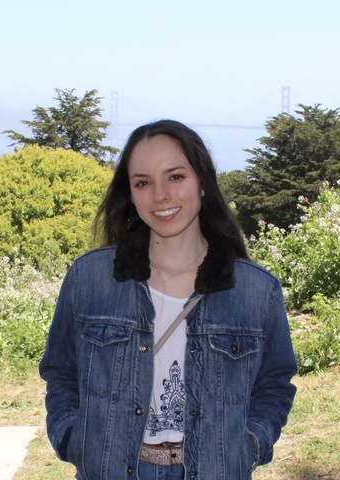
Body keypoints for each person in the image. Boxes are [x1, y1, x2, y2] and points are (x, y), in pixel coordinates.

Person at [39, 119, 297, 480]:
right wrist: (74, 438)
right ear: (130, 194)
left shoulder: (255, 291)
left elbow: (274, 384)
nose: (160, 195)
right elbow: (61, 372)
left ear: (203, 183)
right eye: (143, 182)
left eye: (175, 177)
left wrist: (249, 446)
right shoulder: (90, 279)